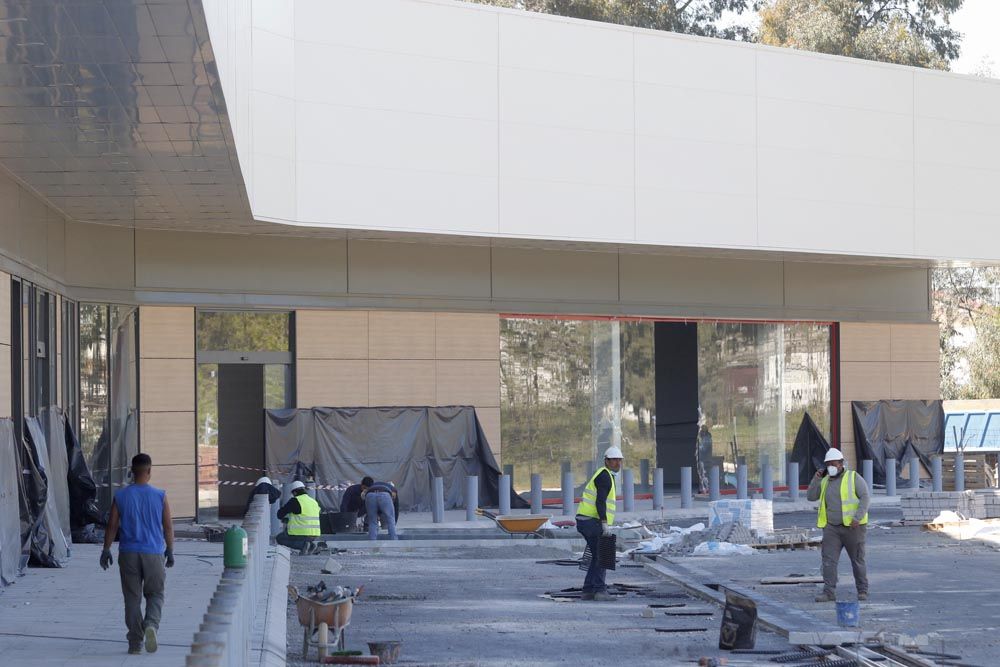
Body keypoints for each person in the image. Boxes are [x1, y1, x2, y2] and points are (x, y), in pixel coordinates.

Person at [100, 453, 174, 655]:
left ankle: (134, 643)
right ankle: (150, 625)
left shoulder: (121, 496)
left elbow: (112, 525)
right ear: (149, 471)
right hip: (153, 554)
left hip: (128, 554)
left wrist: (106, 550)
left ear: (132, 471)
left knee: (132, 599)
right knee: (156, 594)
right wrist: (171, 550)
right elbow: (167, 526)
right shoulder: (160, 495)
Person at [807, 448, 870, 602]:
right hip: (831, 528)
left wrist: (857, 517)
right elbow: (810, 496)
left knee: (857, 560)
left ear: (841, 464)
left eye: (833, 464)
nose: (830, 467)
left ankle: (862, 590)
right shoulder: (824, 481)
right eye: (828, 464)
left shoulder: (853, 477)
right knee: (828, 561)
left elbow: (865, 497)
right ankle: (829, 592)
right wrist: (815, 479)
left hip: (853, 528)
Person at [575, 446, 623, 602]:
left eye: (619, 460)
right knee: (603, 554)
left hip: (585, 520)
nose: (617, 463)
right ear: (606, 461)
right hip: (591, 521)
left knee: (596, 556)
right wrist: (604, 523)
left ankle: (588, 590)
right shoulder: (604, 476)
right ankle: (600, 590)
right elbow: (600, 501)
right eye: (614, 460)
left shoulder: (605, 474)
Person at [276, 481, 322, 554]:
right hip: (314, 534)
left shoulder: (295, 501)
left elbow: (280, 514)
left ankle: (304, 545)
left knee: (280, 538)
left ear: (294, 493)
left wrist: (285, 518)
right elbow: (306, 515)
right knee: (299, 537)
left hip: (301, 533)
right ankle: (311, 545)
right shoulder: (313, 501)